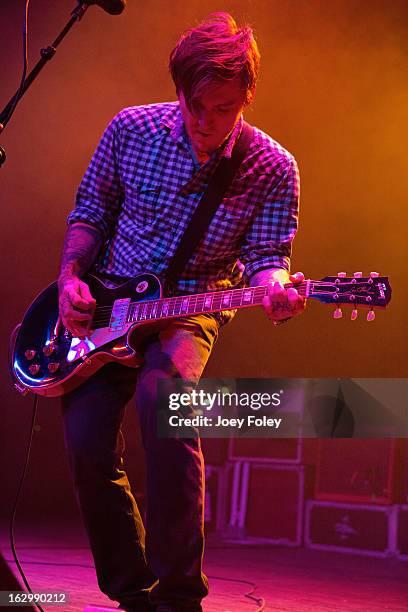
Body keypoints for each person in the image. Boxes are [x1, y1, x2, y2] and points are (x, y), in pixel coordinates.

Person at [58, 12, 305, 612]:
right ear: (179, 91)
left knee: (165, 403)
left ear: (247, 97)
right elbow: (91, 210)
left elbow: (266, 257)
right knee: (88, 443)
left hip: (189, 307)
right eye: (197, 105)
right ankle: (130, 592)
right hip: (109, 305)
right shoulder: (130, 130)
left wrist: (276, 287)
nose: (207, 122)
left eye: (224, 108)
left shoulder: (272, 166)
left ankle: (178, 595)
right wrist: (69, 277)